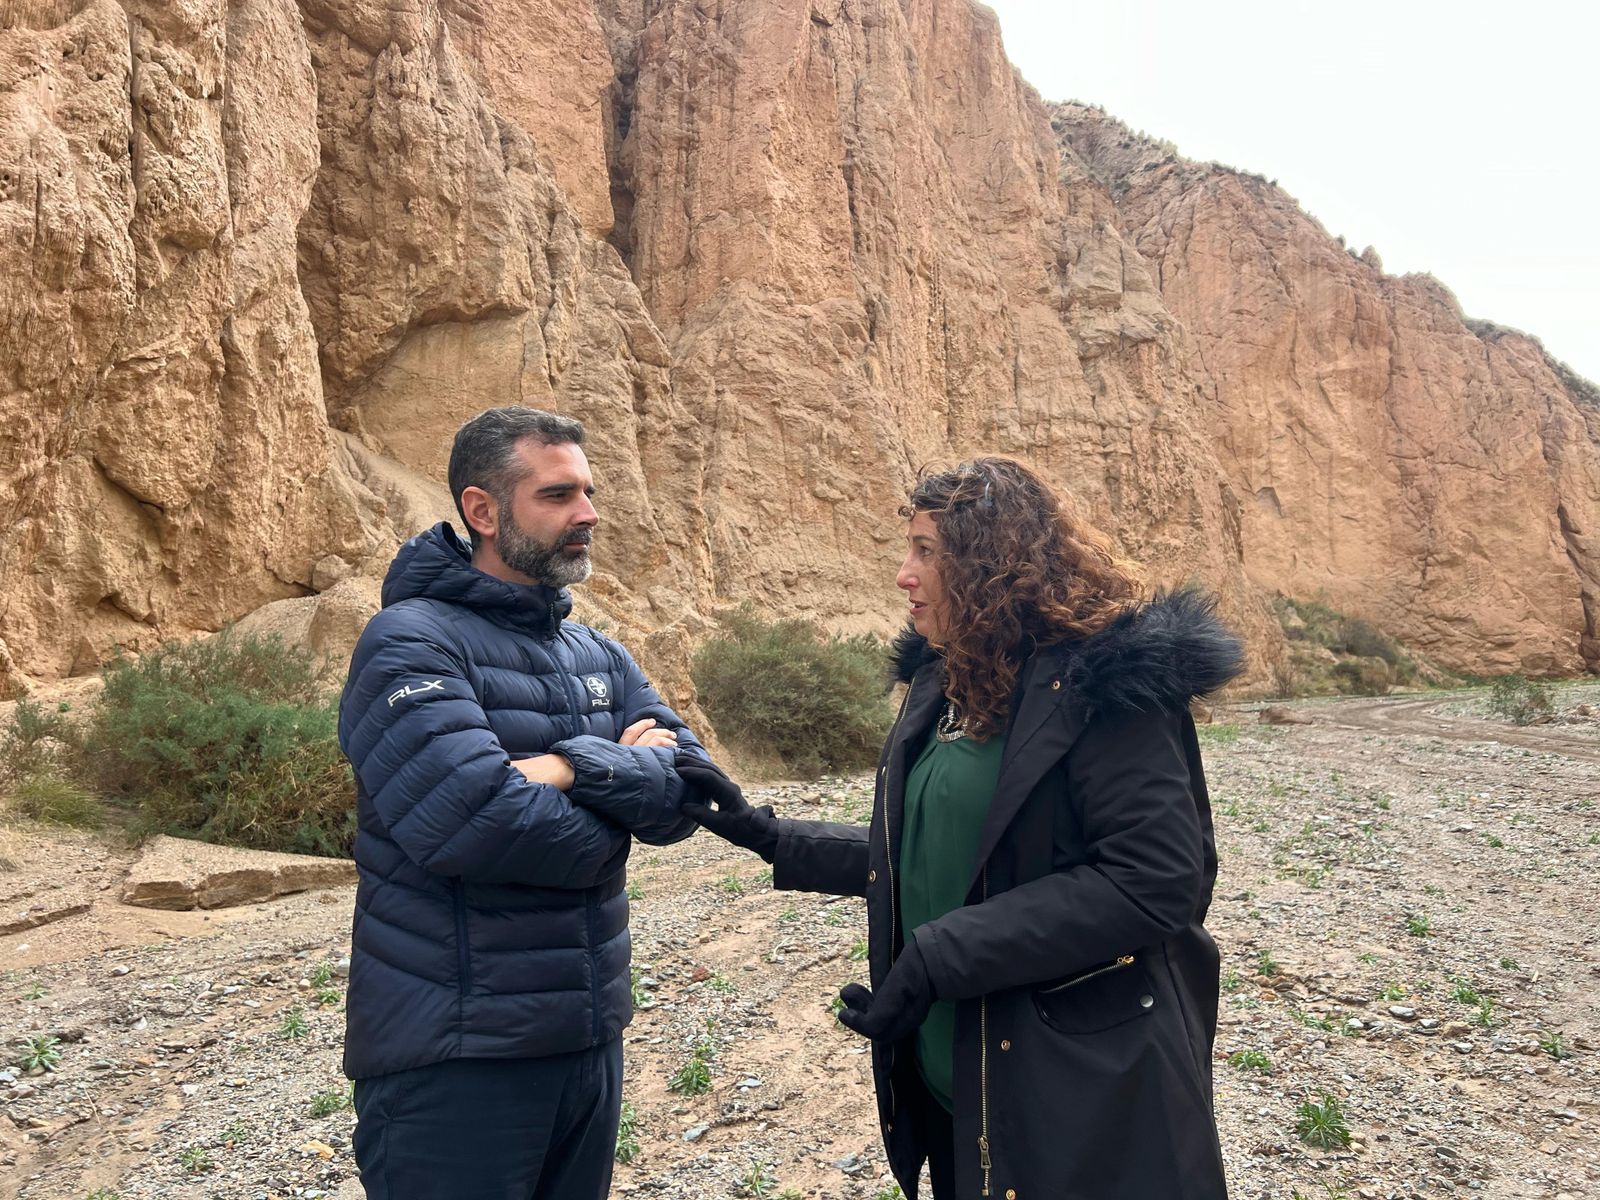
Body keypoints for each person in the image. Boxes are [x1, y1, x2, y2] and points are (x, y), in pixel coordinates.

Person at [679, 457, 1243, 1200]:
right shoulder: (944, 679)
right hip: (963, 1079)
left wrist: (938, 955)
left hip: (1080, 1095)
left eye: (926, 552)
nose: (905, 575)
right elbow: (938, 848)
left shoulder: (1107, 680)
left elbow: (1156, 880)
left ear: (992, 564)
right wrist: (772, 837)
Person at [337, 405, 704, 1200]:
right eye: (559, 495)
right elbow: (476, 820)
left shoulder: (593, 650)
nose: (589, 514)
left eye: (589, 493)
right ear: (482, 511)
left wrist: (561, 769)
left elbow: (690, 793)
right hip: (457, 1060)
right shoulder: (410, 641)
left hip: (585, 1042)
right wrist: (613, 795)